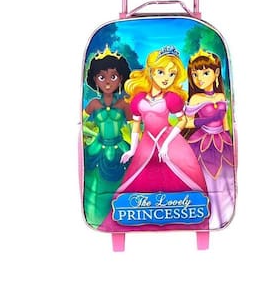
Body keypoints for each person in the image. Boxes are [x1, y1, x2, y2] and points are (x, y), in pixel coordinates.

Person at [98, 45, 208, 232]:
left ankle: (191, 220)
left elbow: (182, 121)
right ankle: (127, 221)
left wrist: (166, 144)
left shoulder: (171, 98)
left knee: (181, 175)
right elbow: (136, 124)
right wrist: (132, 149)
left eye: (172, 74)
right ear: (150, 71)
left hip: (170, 140)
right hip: (147, 142)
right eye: (161, 71)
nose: (166, 78)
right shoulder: (138, 98)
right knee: (138, 177)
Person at [185, 48, 235, 229]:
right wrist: (206, 120)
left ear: (217, 73)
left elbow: (226, 122)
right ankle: (208, 216)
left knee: (225, 178)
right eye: (195, 74)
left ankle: (224, 214)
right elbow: (188, 123)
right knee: (207, 179)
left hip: (223, 141)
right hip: (203, 141)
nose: (200, 79)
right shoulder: (195, 98)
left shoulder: (221, 96)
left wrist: (230, 139)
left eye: (205, 73)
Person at [82, 45, 132, 228]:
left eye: (114, 77)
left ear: (121, 79)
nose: (108, 83)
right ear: (95, 79)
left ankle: (123, 217)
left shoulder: (124, 104)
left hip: (120, 148)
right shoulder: (94, 104)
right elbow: (80, 123)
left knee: (124, 182)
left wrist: (137, 145)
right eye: (102, 77)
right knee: (95, 185)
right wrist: (90, 134)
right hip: (98, 149)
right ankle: (98, 219)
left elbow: (135, 127)